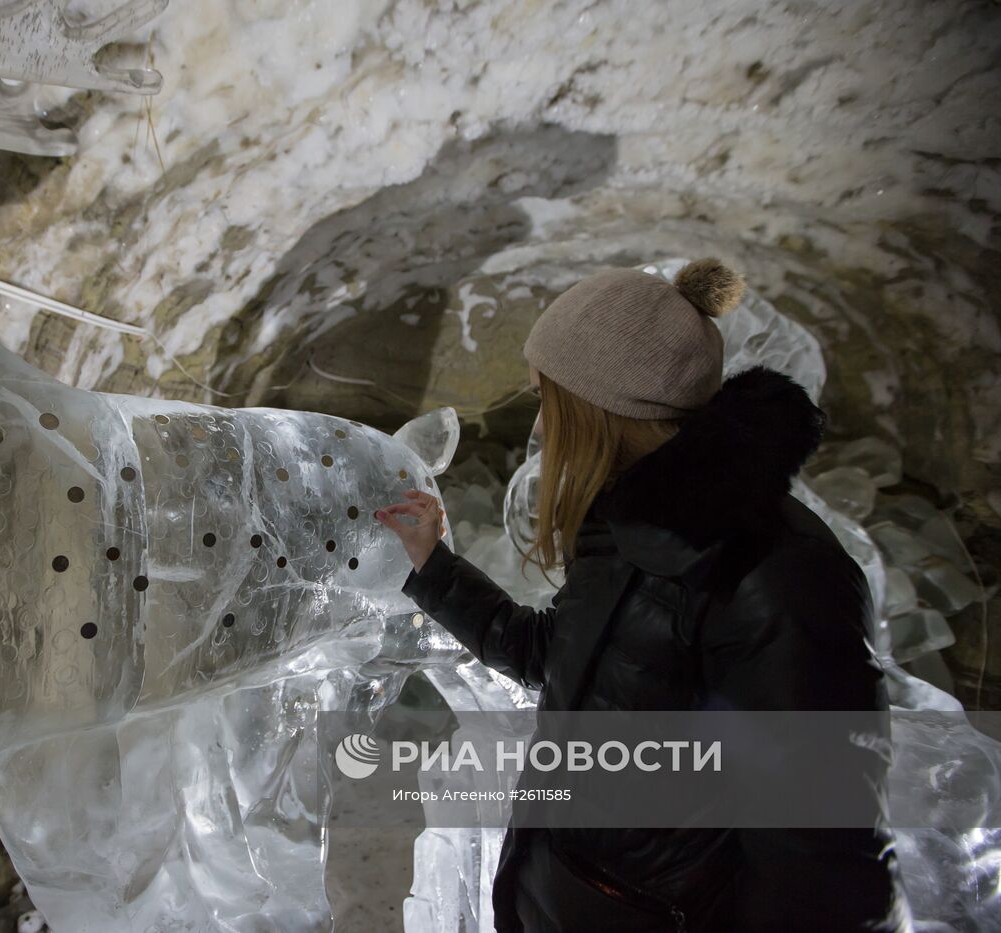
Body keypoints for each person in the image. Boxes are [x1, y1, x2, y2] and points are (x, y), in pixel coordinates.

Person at [375, 260, 903, 932]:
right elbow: (556, 656)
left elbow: (823, 861)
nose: (540, 429)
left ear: (601, 410)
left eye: (547, 400)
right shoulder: (624, 527)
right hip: (570, 896)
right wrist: (432, 563)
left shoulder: (780, 577)